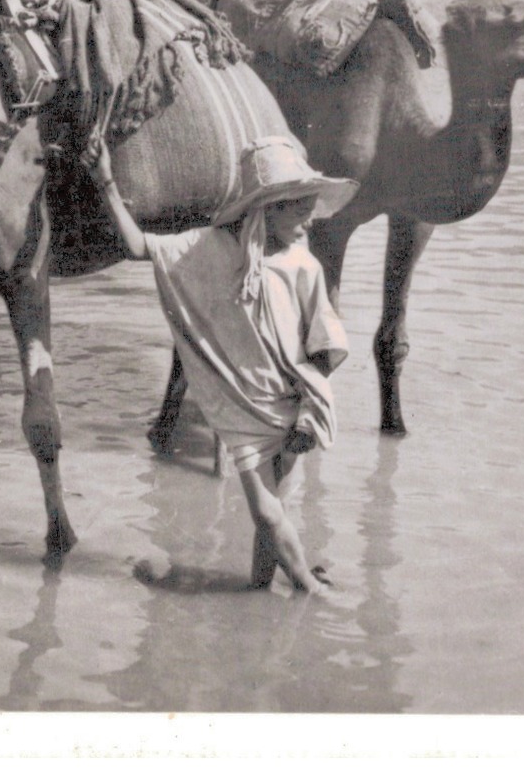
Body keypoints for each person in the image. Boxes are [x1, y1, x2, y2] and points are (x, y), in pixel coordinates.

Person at [89, 134, 357, 595]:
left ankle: (258, 596)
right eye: (298, 209)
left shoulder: (304, 266)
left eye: (310, 207)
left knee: (274, 515)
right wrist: (106, 181)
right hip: (241, 407)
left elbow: (325, 346)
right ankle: (315, 595)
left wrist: (311, 411)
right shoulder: (206, 249)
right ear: (267, 207)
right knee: (266, 512)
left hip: (292, 406)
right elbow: (138, 247)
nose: (308, 220)